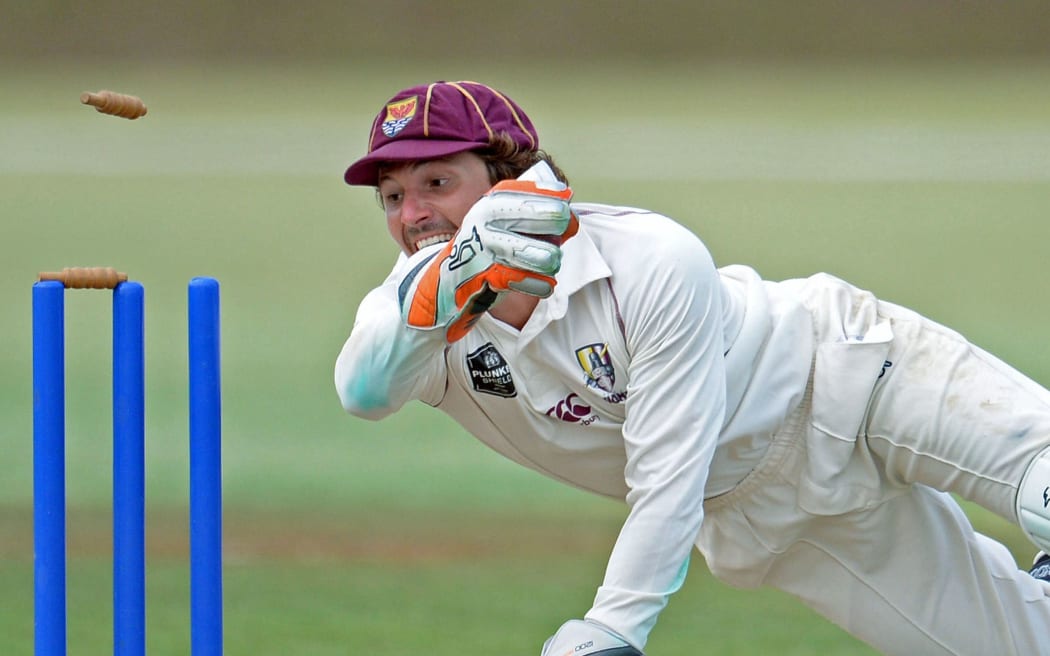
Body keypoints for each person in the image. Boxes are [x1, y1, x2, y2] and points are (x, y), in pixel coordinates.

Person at [334, 80, 1050, 655]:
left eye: (437, 182)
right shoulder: (409, 318)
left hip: (853, 373)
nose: (413, 215)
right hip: (773, 518)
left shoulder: (650, 257)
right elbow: (364, 391)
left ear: (510, 179)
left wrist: (614, 627)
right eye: (393, 197)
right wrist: (438, 297)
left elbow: (668, 471)